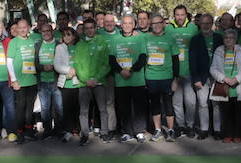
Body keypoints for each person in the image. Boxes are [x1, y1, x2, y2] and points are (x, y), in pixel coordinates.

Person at [209, 28, 241, 142]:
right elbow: (213, 68)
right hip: (224, 85)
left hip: (239, 85)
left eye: (231, 38)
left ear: (235, 39)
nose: (229, 40)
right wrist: (224, 79)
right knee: (226, 112)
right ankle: (227, 134)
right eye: (226, 38)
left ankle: (237, 134)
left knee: (238, 112)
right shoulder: (219, 51)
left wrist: (237, 79)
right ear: (223, 39)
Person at [112, 14, 150, 142]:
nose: (127, 25)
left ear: (134, 25)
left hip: (137, 79)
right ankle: (127, 131)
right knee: (124, 107)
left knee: (139, 107)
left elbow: (143, 57)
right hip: (121, 80)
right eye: (125, 23)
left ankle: (139, 131)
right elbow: (112, 59)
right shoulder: (115, 39)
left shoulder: (139, 39)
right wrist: (121, 71)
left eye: (130, 23)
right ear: (121, 25)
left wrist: (131, 70)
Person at [75, 18, 113, 142]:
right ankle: (85, 134)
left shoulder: (101, 42)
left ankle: (104, 132)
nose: (89, 30)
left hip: (99, 81)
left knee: (103, 108)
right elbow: (77, 64)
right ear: (84, 30)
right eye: (87, 28)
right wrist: (86, 80)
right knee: (84, 110)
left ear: (96, 28)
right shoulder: (80, 44)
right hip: (84, 82)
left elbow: (106, 63)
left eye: (92, 27)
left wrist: (96, 79)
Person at [144, 12, 180, 141]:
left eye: (159, 23)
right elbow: (142, 57)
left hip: (167, 77)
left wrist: (175, 79)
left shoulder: (170, 38)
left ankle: (170, 130)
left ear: (163, 24)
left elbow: (176, 60)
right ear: (150, 25)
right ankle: (158, 129)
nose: (157, 25)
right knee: (155, 104)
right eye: (154, 23)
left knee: (168, 104)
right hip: (151, 76)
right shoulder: (146, 38)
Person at [188, 13, 222, 140]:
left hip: (217, 76)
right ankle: (204, 129)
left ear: (212, 23)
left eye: (208, 23)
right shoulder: (195, 39)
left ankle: (218, 130)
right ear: (199, 24)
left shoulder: (219, 38)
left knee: (216, 104)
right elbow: (192, 60)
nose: (206, 26)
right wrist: (195, 78)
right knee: (202, 104)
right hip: (201, 77)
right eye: (203, 23)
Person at [167, 5, 200, 136]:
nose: (180, 17)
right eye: (177, 15)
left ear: (186, 15)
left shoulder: (193, 28)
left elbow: (197, 49)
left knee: (191, 102)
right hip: (174, 72)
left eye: (182, 14)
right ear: (174, 16)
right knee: (177, 102)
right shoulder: (168, 28)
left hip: (189, 71)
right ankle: (180, 126)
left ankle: (190, 125)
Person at [7, 18, 38, 144]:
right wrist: (14, 80)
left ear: (29, 27)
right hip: (19, 82)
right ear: (17, 29)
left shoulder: (33, 41)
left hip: (32, 80)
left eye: (25, 27)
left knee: (29, 108)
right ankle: (20, 133)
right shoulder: (14, 42)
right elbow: (9, 62)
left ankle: (29, 131)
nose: (22, 29)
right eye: (20, 27)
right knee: (20, 108)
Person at [54, 27, 85, 145]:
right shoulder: (59, 47)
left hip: (79, 82)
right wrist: (69, 69)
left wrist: (76, 70)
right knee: (67, 108)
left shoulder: (79, 46)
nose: (67, 37)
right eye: (65, 35)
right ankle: (68, 130)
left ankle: (79, 129)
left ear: (74, 36)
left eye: (69, 35)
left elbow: (83, 62)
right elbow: (57, 64)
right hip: (65, 83)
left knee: (78, 107)